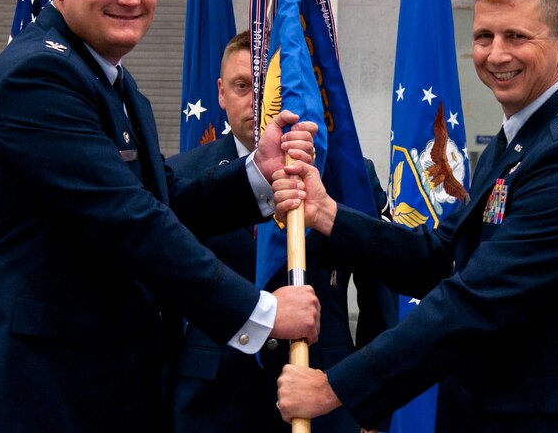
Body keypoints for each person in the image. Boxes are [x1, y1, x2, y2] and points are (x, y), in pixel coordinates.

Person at [0, 0, 322, 433]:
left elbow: (164, 197)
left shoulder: (113, 81)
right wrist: (262, 315)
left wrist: (258, 171)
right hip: (23, 393)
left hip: (90, 387)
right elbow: (131, 220)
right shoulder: (37, 78)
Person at [273, 0, 558, 432]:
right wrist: (327, 214)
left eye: (516, 37)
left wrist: (336, 388)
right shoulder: (518, 141)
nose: (495, 54)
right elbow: (443, 257)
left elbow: (477, 301)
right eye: (483, 37)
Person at [169, 31, 397, 433]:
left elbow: (378, 290)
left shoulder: (349, 175)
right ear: (221, 93)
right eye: (243, 87)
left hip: (324, 388)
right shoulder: (181, 175)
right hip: (211, 396)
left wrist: (373, 401)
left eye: (270, 90)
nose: (260, 105)